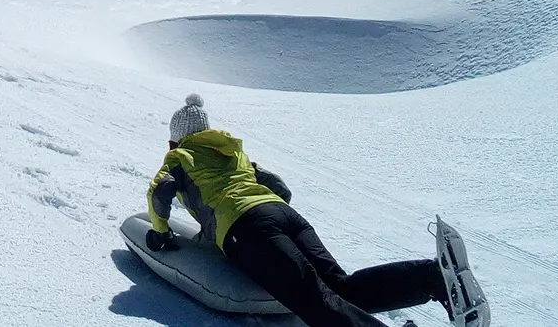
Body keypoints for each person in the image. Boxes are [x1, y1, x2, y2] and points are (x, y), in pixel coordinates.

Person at [146, 94, 462, 327]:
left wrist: (161, 234)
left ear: (176, 140)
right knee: (340, 287)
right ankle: (432, 278)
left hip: (247, 228)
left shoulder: (179, 157)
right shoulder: (232, 153)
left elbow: (160, 192)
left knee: (314, 301)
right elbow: (281, 188)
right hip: (283, 214)